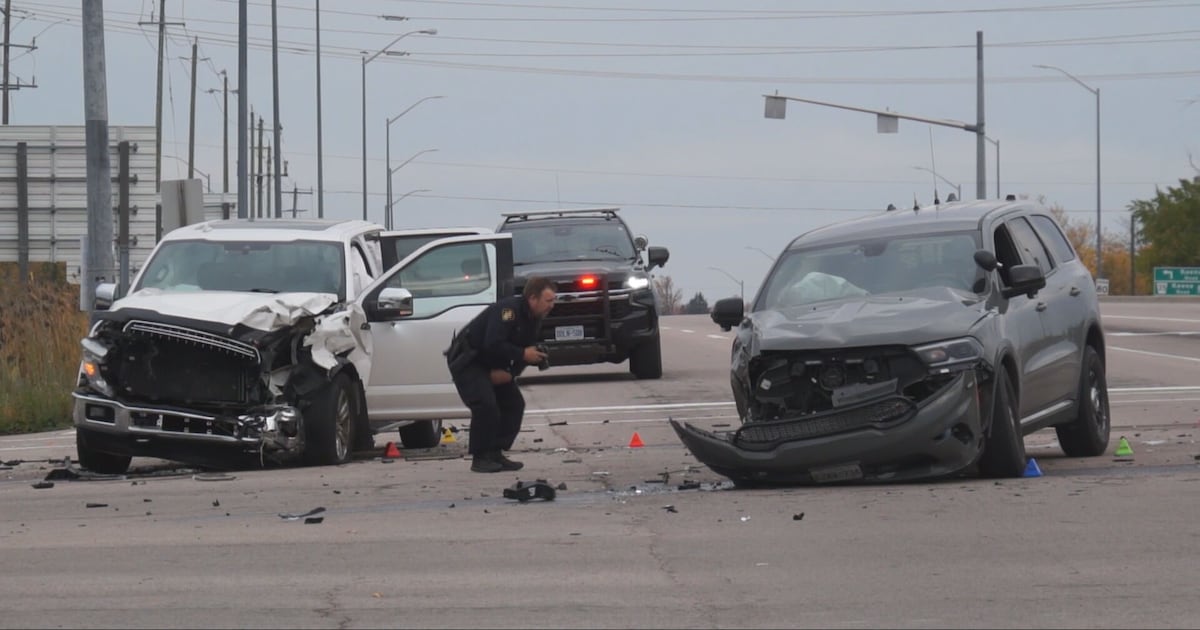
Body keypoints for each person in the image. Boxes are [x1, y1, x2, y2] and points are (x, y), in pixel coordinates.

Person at [445, 276, 556, 473]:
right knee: (486, 405)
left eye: (553, 300)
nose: (552, 306)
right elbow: (492, 343)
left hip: (494, 364)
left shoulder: (534, 318)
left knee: (514, 404)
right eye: (548, 301)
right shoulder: (509, 311)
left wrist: (510, 373)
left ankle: (495, 452)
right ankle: (480, 458)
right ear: (532, 298)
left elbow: (527, 350)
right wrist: (522, 354)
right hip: (470, 361)